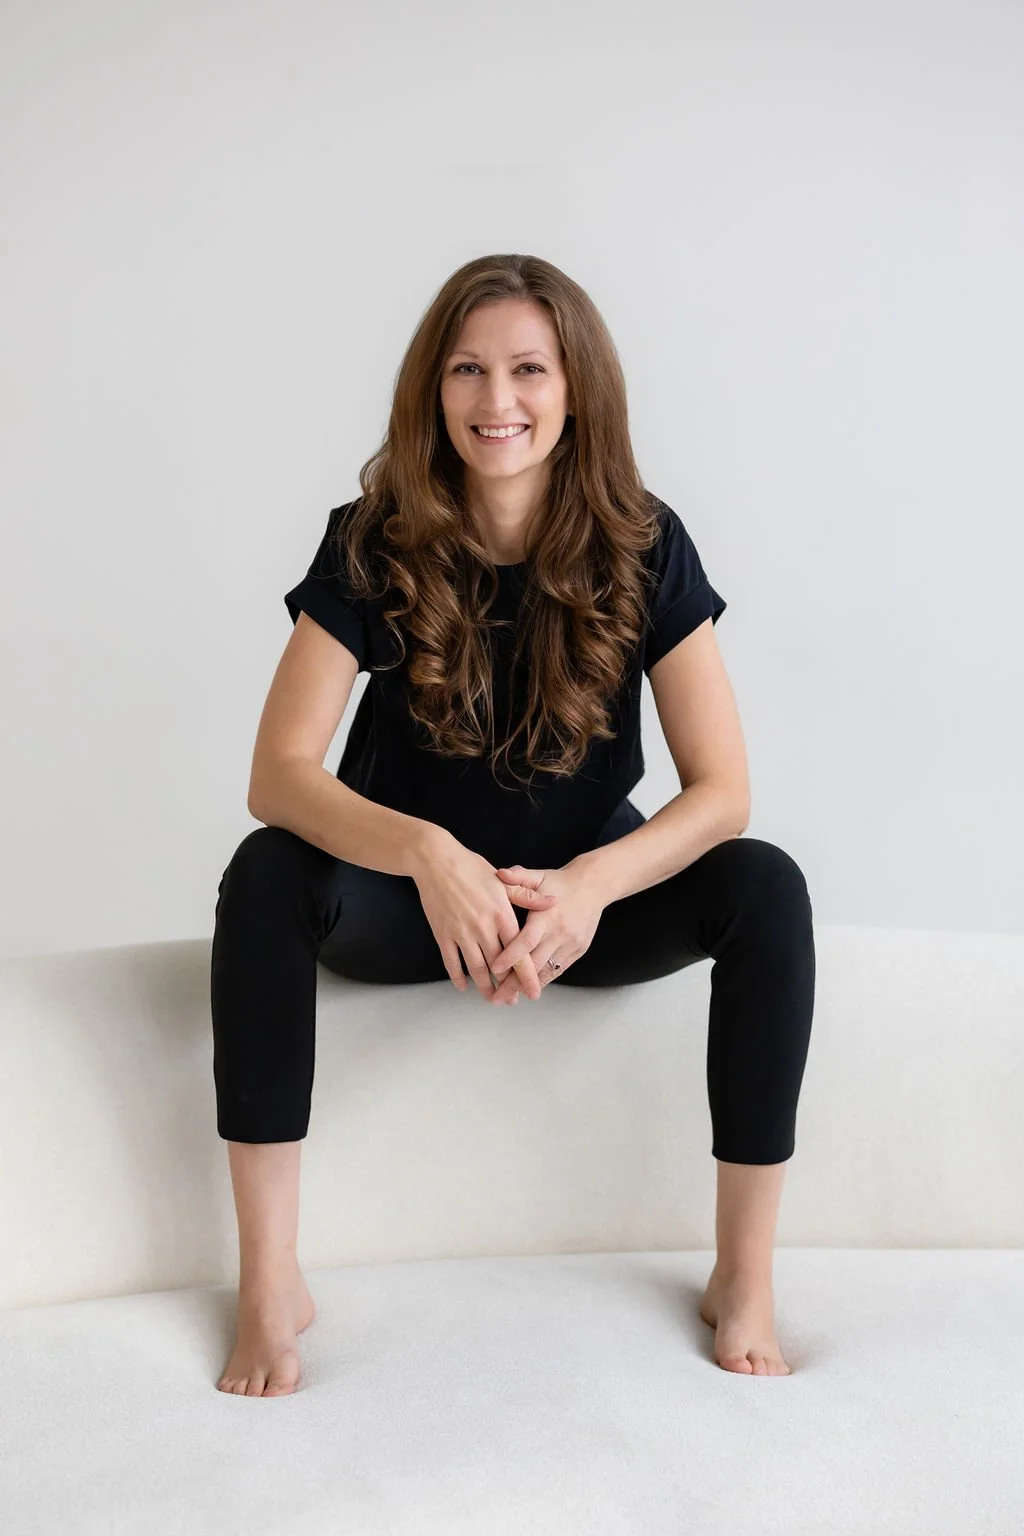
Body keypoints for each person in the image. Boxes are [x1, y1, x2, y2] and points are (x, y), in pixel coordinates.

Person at [210, 254, 815, 1398]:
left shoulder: (645, 542)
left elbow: (722, 791)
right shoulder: (370, 538)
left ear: (575, 390)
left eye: (529, 369)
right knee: (264, 873)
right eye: (468, 370)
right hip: (413, 908)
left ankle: (743, 1275)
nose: (498, 400)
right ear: (432, 390)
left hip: (573, 911)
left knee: (767, 884)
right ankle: (269, 1283)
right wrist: (426, 855)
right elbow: (277, 774)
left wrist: (591, 885)